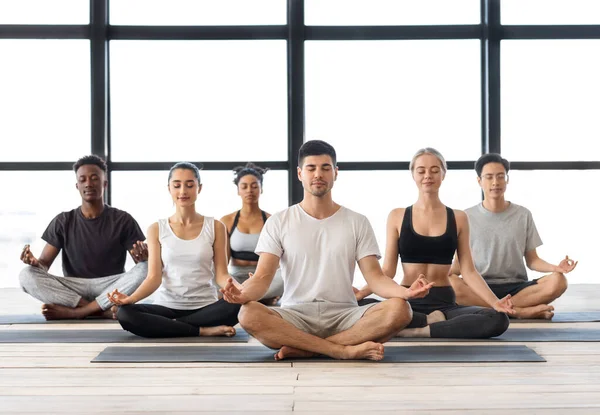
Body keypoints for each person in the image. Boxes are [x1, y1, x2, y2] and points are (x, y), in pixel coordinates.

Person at [221, 140, 433, 361]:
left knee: (401, 309)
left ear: (335, 173)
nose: (318, 174)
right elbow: (263, 278)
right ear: (300, 173)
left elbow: (376, 277)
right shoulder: (278, 222)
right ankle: (341, 349)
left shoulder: (357, 221)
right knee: (248, 312)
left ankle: (306, 349)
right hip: (295, 315)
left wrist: (405, 293)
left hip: (345, 315)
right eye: (311, 168)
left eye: (325, 168)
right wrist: (242, 294)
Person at [356, 148, 514, 339]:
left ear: (443, 174)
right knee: (357, 308)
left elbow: (469, 271)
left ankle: (419, 329)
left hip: (444, 303)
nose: (427, 176)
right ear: (413, 174)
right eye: (421, 171)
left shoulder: (459, 218)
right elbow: (387, 271)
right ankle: (431, 322)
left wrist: (495, 302)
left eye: (434, 170)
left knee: (497, 318)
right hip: (406, 300)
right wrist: (361, 293)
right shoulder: (397, 216)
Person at [108, 162, 241, 338]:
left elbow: (222, 275)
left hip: (206, 308)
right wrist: (130, 299)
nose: (183, 191)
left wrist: (241, 290)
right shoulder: (157, 228)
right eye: (177, 185)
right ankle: (201, 330)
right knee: (124, 313)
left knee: (239, 304)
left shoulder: (216, 227)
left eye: (190, 185)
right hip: (167, 307)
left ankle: (167, 327)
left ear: (199, 188)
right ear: (169, 188)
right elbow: (153, 278)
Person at [18, 155, 147, 320]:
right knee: (26, 275)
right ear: (77, 185)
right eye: (83, 179)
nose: (88, 183)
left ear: (104, 184)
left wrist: (144, 258)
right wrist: (35, 264)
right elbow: (43, 265)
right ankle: (100, 310)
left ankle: (77, 312)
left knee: (148, 266)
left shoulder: (123, 220)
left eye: (94, 178)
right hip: (74, 288)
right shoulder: (63, 220)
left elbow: (141, 267)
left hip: (110, 286)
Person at [449, 153, 576, 319]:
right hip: (479, 287)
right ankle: (520, 312)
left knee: (559, 281)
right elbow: (460, 266)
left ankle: (502, 309)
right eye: (489, 177)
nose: (495, 182)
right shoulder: (465, 217)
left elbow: (532, 261)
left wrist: (556, 268)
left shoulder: (523, 215)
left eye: (501, 176)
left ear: (507, 180)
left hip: (517, 287)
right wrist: (438, 275)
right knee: (450, 283)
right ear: (479, 181)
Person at [220, 163, 284, 305]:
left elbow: (278, 262)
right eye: (244, 186)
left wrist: (260, 282)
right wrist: (232, 284)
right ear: (238, 190)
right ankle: (254, 296)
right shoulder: (227, 221)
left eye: (254, 186)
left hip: (263, 279)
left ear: (261, 189)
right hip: (236, 277)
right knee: (214, 276)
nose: (249, 190)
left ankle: (248, 295)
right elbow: (222, 263)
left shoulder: (271, 220)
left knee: (285, 276)